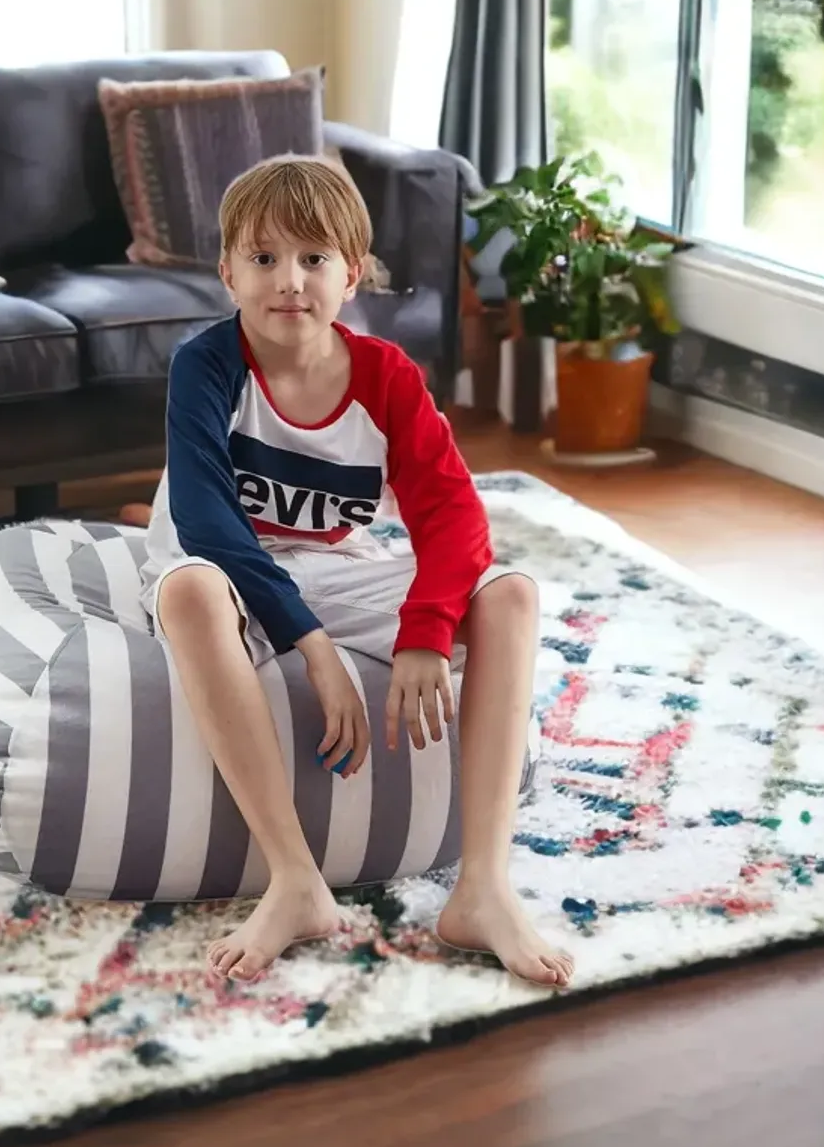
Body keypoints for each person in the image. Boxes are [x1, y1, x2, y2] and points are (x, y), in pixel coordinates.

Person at [138, 155, 574, 989]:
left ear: (353, 273)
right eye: (263, 259)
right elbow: (205, 523)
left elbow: (453, 518)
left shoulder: (386, 378)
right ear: (227, 271)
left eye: (313, 258)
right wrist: (314, 645)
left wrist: (424, 633)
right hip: (222, 570)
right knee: (191, 589)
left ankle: (482, 886)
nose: (289, 281)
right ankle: (295, 877)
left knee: (511, 593)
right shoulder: (205, 366)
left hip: (337, 566)